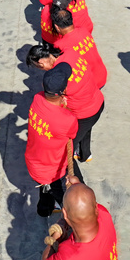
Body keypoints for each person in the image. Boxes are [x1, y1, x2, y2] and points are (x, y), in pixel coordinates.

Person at [26, 43, 104, 164]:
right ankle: (85, 154)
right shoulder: (70, 52)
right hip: (97, 101)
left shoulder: (59, 82)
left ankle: (75, 175)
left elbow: (54, 102)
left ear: (41, 63)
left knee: (65, 152)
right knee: (86, 130)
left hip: (84, 115)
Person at [26, 63, 81, 217]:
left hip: (34, 161)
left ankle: (44, 210)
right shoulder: (68, 119)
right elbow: (72, 134)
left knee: (44, 189)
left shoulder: (37, 99)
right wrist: (64, 108)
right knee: (65, 198)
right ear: (64, 91)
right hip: (53, 169)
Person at [41, 178, 119, 260]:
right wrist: (78, 185)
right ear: (96, 208)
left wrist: (56, 236)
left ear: (65, 214)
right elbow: (88, 203)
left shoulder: (66, 259)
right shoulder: (104, 214)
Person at [52, 9, 107, 90]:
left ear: (56, 27)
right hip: (102, 74)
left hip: (89, 83)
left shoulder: (59, 45)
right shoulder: (83, 30)